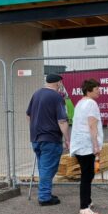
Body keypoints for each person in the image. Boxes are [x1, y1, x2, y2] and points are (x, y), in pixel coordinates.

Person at [26, 73, 70, 206]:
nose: (61, 86)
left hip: (36, 138)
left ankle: (45, 192)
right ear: (58, 83)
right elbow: (62, 121)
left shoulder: (37, 94)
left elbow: (28, 115)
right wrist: (67, 139)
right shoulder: (57, 97)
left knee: (43, 167)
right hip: (51, 138)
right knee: (48, 168)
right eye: (61, 83)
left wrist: (35, 128)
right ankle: (44, 197)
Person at [70, 79, 103, 214]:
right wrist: (95, 145)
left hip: (79, 144)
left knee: (87, 174)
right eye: (97, 89)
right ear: (89, 90)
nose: (99, 91)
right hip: (86, 145)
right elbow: (92, 125)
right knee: (87, 175)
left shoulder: (80, 103)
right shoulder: (91, 103)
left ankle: (87, 201)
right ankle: (84, 207)